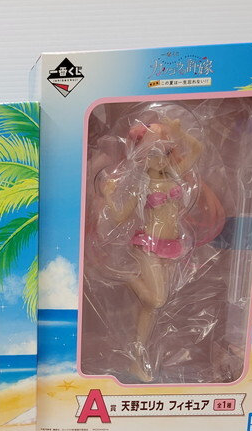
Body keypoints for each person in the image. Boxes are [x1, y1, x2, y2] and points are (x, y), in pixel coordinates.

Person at [99, 115, 213, 382]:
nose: (159, 159)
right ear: (141, 156)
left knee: (151, 308)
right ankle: (128, 276)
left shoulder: (175, 174)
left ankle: (137, 359)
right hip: (148, 245)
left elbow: (198, 149)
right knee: (157, 300)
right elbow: (119, 218)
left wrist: (178, 131)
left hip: (172, 246)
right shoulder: (141, 186)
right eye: (152, 154)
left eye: (164, 152)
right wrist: (107, 194)